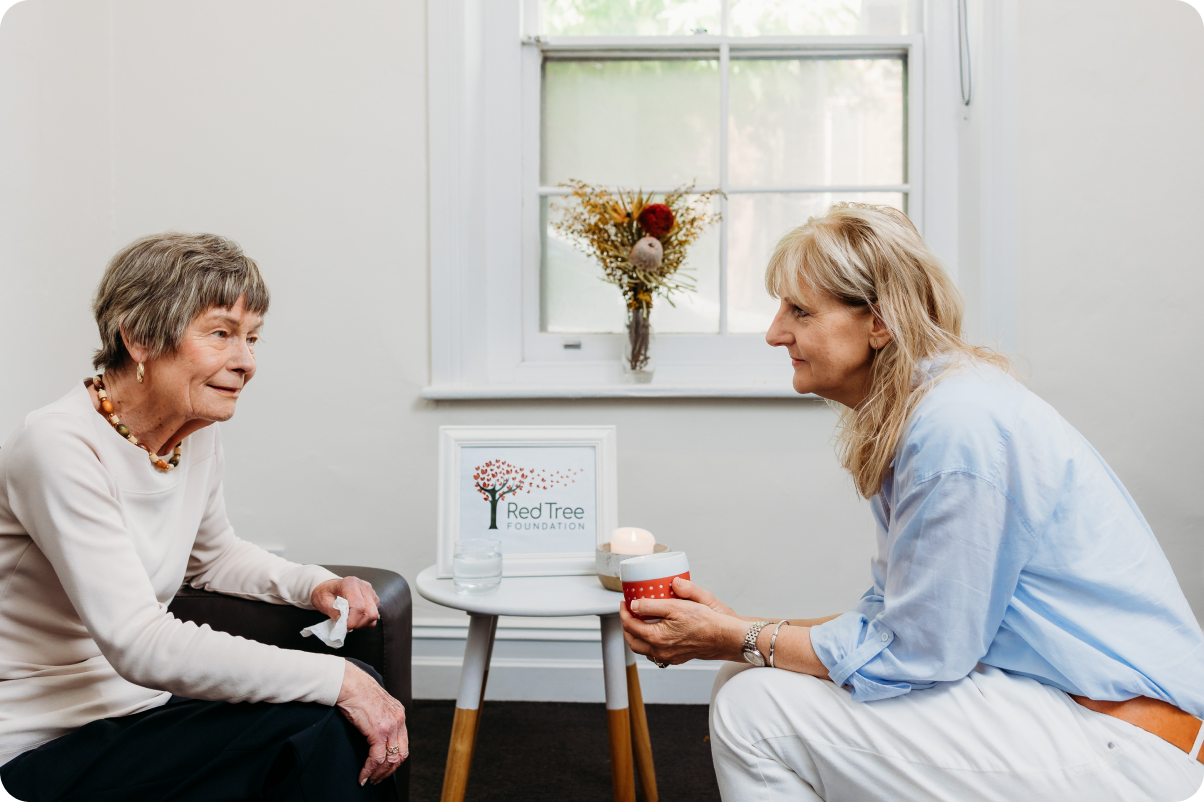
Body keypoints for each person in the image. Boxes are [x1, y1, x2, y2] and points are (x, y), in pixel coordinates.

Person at [619, 204, 1204, 801]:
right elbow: (897, 619)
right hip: (1063, 710)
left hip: (1124, 746)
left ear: (878, 322)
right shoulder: (932, 408)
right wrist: (736, 631)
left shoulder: (955, 428)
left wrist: (732, 636)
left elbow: (916, 652)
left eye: (799, 310)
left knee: (754, 707)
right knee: (748, 673)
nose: (775, 332)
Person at [0, 233, 406, 801]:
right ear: (139, 338)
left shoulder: (192, 431)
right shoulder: (56, 444)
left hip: (137, 707)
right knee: (329, 709)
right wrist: (339, 680)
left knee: (341, 710)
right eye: (221, 334)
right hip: (40, 737)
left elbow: (214, 556)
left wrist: (314, 583)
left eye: (252, 338)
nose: (246, 362)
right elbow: (138, 641)